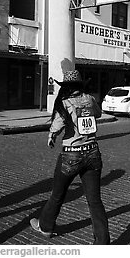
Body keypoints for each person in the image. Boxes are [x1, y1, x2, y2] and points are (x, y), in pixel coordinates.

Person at [30, 70, 110, 244]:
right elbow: (98, 114)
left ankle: (45, 226)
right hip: (92, 153)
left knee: (57, 194)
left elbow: (57, 125)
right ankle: (103, 243)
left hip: (71, 154)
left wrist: (51, 136)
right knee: (95, 201)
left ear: (65, 87)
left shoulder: (65, 103)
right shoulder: (89, 99)